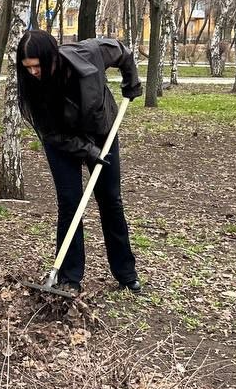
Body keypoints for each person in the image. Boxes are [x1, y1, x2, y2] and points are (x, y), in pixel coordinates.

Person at [15, 29, 144, 295]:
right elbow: (50, 133)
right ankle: (69, 278)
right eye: (27, 68)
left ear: (52, 57)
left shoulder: (88, 53)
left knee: (110, 200)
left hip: (101, 131)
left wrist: (131, 82)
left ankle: (126, 274)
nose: (33, 73)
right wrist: (87, 150)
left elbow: (121, 51)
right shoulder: (30, 88)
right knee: (70, 204)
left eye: (37, 66)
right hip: (62, 142)